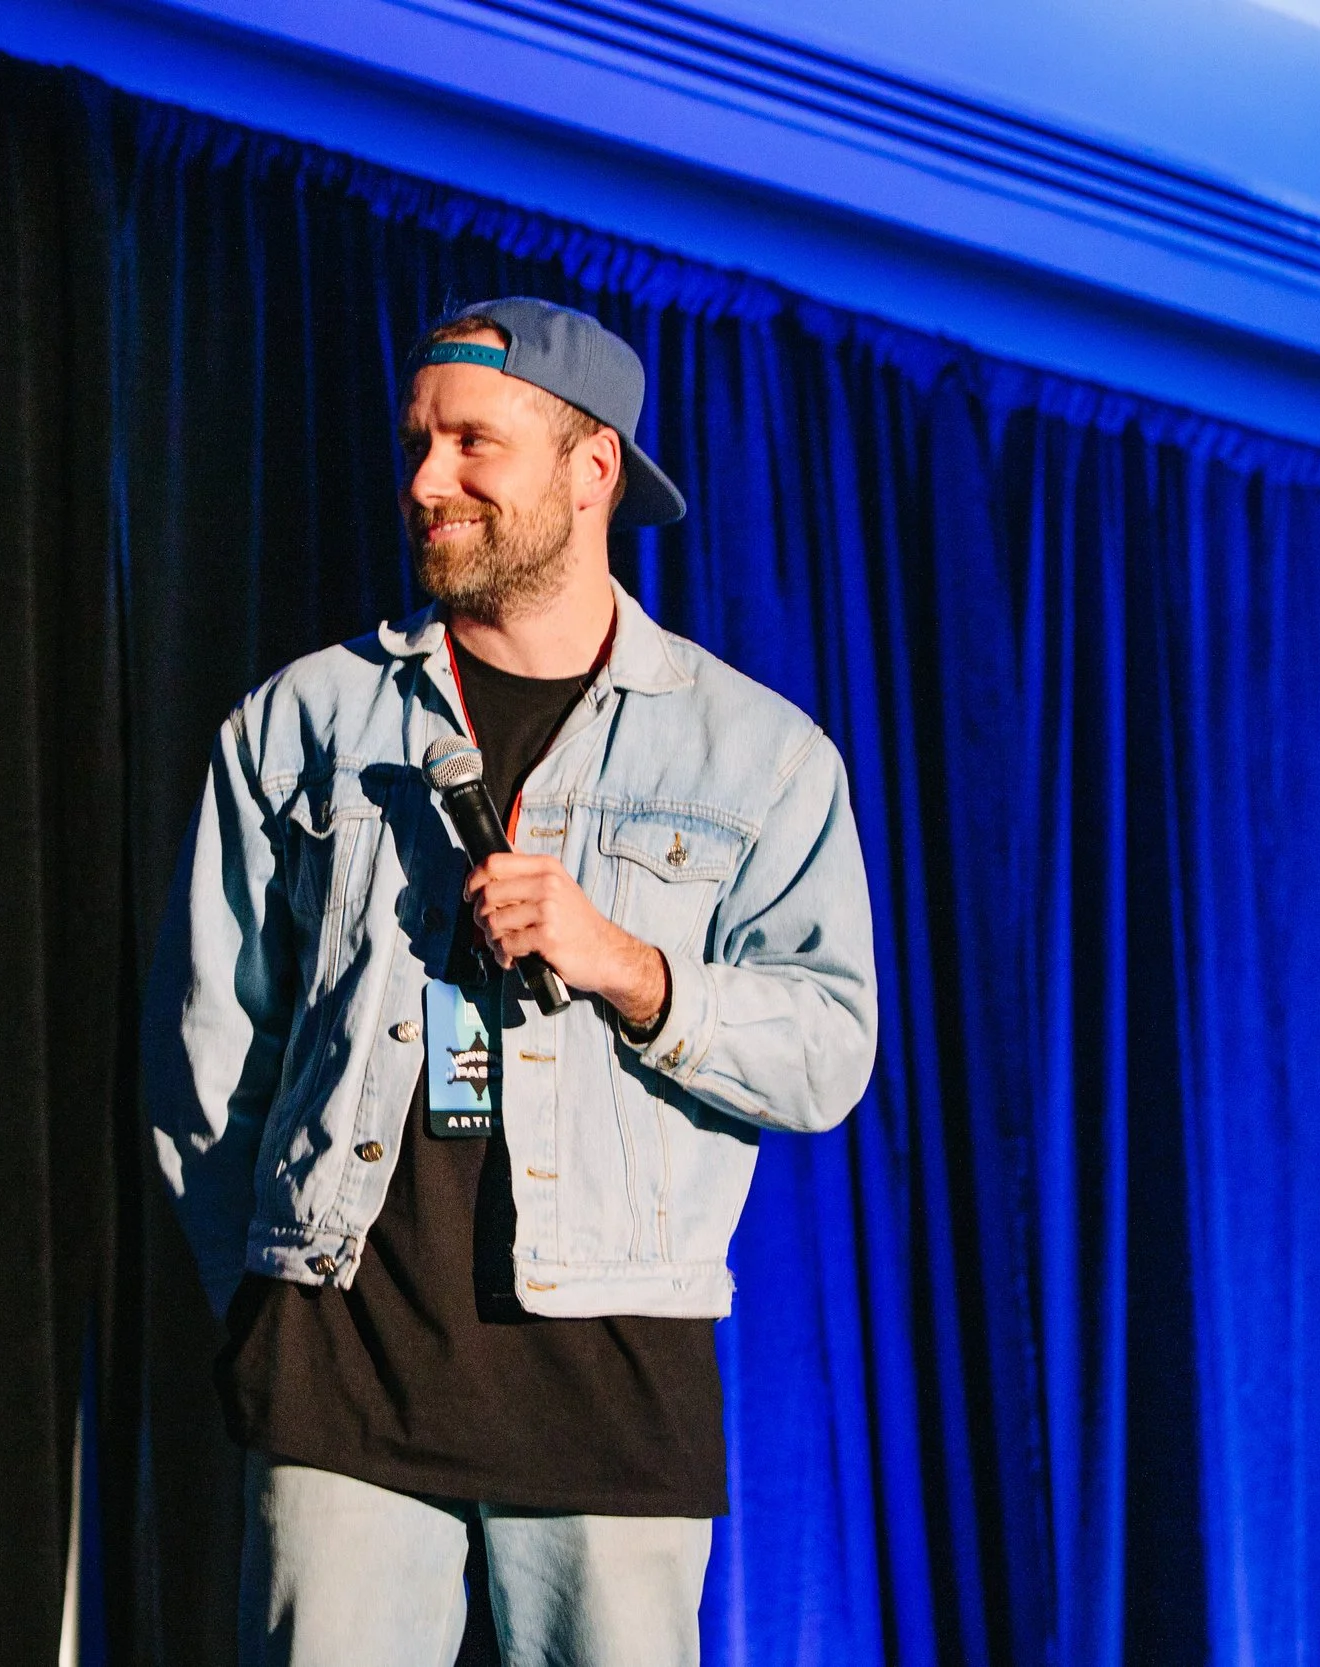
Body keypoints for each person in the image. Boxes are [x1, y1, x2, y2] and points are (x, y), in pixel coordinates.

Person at [144, 298, 879, 1666]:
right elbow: (206, 1050)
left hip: (608, 1370)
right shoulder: (305, 719)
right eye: (418, 442)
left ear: (590, 466)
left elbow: (831, 1045)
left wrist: (627, 965)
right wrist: (266, 1292)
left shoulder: (758, 754)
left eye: (474, 442)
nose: (428, 480)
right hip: (342, 1363)